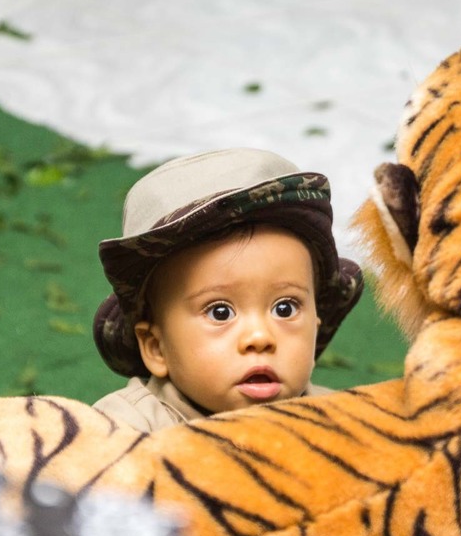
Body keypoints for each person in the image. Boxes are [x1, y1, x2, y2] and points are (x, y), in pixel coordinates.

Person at [91, 148, 364, 432]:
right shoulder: (125, 428)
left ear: (315, 328)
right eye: (220, 312)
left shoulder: (340, 421)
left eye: (286, 308)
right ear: (156, 348)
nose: (260, 337)